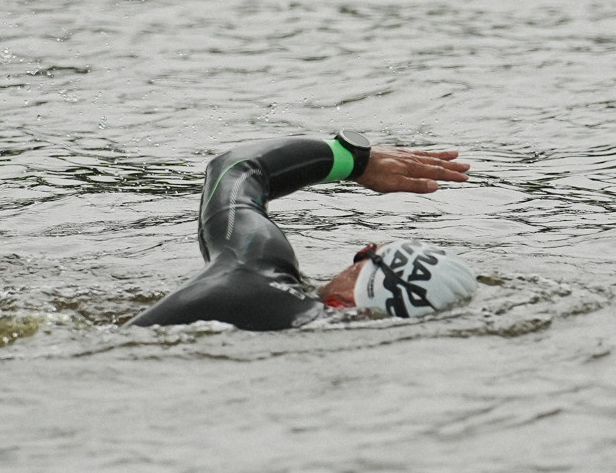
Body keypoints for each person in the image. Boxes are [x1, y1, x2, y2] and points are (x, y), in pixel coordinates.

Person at [131, 132, 479, 331]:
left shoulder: (254, 268)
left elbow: (235, 169)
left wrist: (353, 159)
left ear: (341, 302)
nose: (360, 251)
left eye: (370, 254)